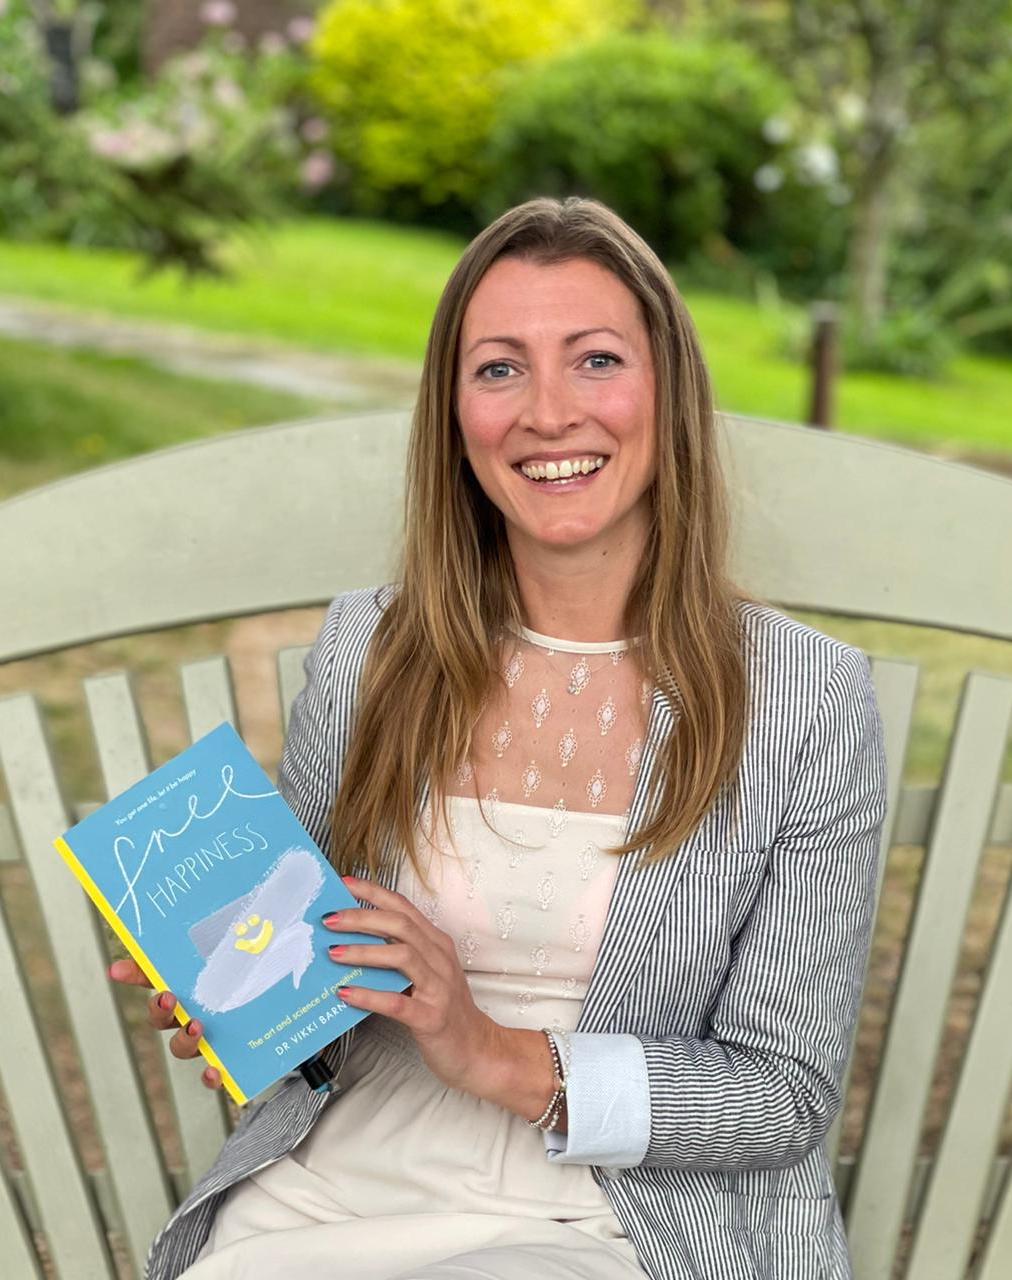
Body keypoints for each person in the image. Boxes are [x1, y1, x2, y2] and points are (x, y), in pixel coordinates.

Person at [112, 196, 888, 1280]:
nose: (548, 413)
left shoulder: (805, 698)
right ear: (455, 413)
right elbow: (320, 982)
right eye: (499, 369)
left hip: (618, 1220)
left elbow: (783, 1095)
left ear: (668, 393)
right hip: (334, 1187)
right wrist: (246, 1006)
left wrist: (490, 1051)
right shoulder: (370, 649)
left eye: (596, 360)